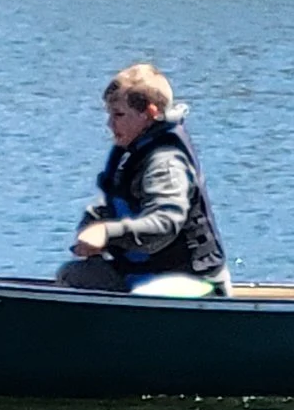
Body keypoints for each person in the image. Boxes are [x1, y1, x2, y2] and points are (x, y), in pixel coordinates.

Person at [56, 63, 231, 296]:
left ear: (148, 114)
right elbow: (112, 206)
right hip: (145, 272)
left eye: (118, 115)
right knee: (75, 275)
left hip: (195, 282)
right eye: (109, 114)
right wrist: (91, 227)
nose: (110, 124)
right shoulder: (131, 155)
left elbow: (165, 224)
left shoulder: (166, 163)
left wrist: (107, 233)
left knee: (146, 296)